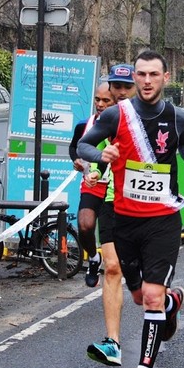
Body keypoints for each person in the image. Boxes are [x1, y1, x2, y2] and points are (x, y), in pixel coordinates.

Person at [78, 50, 184, 368]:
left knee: (150, 296)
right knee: (141, 298)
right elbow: (84, 144)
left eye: (154, 74)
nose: (147, 81)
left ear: (166, 78)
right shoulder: (116, 114)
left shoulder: (178, 116)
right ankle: (173, 301)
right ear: (134, 78)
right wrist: (99, 155)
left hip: (163, 220)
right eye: (141, 74)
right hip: (124, 220)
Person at [85, 64, 137, 368]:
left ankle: (168, 303)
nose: (119, 92)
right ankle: (113, 342)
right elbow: (99, 152)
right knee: (113, 267)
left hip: (148, 206)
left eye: (125, 86)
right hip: (112, 199)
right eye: (115, 86)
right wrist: (94, 170)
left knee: (146, 287)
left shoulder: (153, 116)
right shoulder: (107, 120)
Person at [69, 81, 114, 288]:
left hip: (115, 188)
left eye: (106, 100)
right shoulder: (84, 125)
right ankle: (93, 258)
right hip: (92, 182)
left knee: (111, 243)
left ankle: (115, 272)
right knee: (85, 225)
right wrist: (76, 160)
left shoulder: (123, 127)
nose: (100, 104)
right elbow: (74, 147)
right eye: (97, 99)